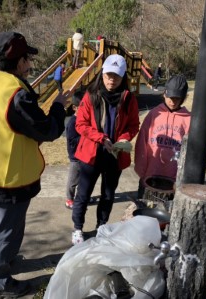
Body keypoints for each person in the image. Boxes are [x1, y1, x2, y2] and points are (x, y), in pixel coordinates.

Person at [0, 31, 67, 298]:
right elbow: (46, 130)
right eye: (28, 59)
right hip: (9, 179)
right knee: (6, 231)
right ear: (19, 61)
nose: (30, 64)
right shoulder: (15, 94)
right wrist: (59, 107)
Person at [71, 54, 140, 245]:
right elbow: (81, 124)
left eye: (116, 76)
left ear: (123, 76)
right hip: (91, 154)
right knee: (83, 194)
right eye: (108, 74)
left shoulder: (128, 99)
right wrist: (101, 138)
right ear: (102, 74)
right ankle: (77, 228)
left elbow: (134, 125)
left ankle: (102, 226)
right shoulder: (90, 95)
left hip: (114, 155)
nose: (111, 79)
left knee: (108, 195)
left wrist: (124, 138)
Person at [134, 75, 191, 198]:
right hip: (150, 175)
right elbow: (141, 143)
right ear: (164, 94)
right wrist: (141, 170)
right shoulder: (154, 114)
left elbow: (191, 151)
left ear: (183, 98)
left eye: (177, 98)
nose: (172, 101)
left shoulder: (188, 119)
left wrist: (183, 177)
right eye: (170, 97)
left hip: (174, 180)